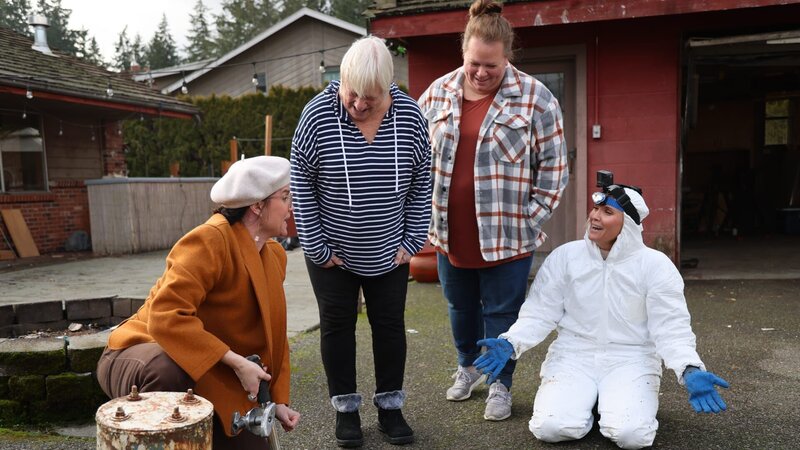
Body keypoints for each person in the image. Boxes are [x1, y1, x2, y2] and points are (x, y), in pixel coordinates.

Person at [475, 176, 730, 449]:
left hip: (631, 358)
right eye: (596, 209)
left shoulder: (655, 266)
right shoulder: (566, 257)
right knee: (550, 427)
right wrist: (511, 341)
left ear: (628, 223)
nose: (595, 216)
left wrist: (688, 367)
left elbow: (670, 326)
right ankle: (593, 400)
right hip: (574, 355)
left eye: (607, 212)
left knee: (632, 437)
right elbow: (539, 312)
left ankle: (609, 400)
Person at [417, 0, 568, 421]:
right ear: (463, 54)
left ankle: (500, 384)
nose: (481, 73)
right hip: (449, 234)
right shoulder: (437, 93)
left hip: (508, 236)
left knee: (503, 314)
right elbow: (414, 159)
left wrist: (528, 219)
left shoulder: (536, 99)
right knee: (460, 308)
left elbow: (554, 170)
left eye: (492, 66)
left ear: (508, 58)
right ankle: (467, 367)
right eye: (474, 64)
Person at [96, 156, 301, 450]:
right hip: (143, 351)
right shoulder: (209, 239)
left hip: (208, 366)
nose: (292, 206)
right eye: (285, 197)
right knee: (166, 371)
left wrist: (276, 402)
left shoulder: (274, 255)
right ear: (257, 205)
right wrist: (236, 362)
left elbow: (275, 335)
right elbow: (166, 317)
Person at [290, 36, 431, 447]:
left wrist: (414, 237)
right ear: (343, 80)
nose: (359, 105)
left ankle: (390, 408)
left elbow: (423, 180)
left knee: (389, 327)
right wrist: (316, 247)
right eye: (352, 94)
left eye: (370, 97)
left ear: (388, 88)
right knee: (337, 328)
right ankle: (346, 411)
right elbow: (301, 183)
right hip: (331, 252)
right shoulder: (317, 115)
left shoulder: (410, 116)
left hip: (392, 250)